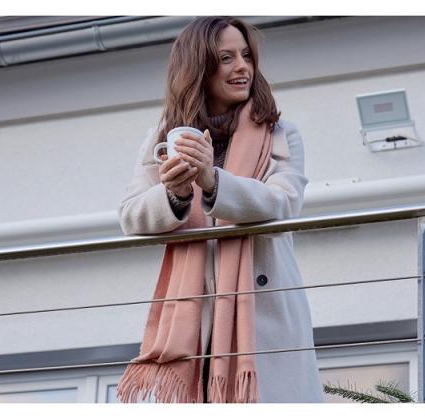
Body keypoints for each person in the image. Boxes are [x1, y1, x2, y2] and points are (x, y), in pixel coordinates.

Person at [116, 16, 322, 403]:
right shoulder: (164, 138)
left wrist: (212, 181)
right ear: (199, 67)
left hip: (263, 316)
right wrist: (175, 194)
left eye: (246, 56)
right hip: (195, 321)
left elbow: (283, 203)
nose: (242, 67)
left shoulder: (279, 134)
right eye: (226, 58)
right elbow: (130, 215)